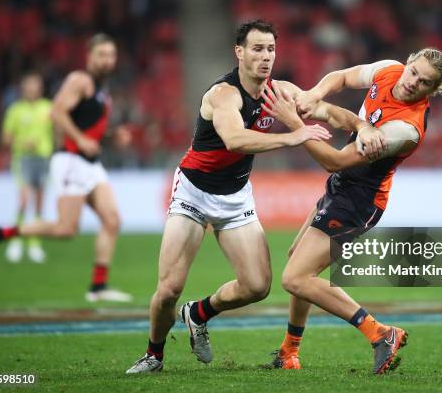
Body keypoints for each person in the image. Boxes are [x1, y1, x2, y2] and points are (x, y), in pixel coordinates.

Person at [125, 19, 383, 374]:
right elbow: (235, 139)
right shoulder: (223, 94)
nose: (266, 57)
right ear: (240, 52)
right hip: (194, 193)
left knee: (257, 286)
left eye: (271, 49)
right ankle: (153, 355)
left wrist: (361, 126)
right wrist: (292, 136)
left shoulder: (280, 91)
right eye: (258, 49)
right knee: (169, 288)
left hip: (235, 196)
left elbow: (329, 112)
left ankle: (197, 314)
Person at [260, 48, 442, 375]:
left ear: (432, 91)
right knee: (297, 261)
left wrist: (295, 121)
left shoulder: (406, 129)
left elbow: (333, 160)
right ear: (407, 64)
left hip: (359, 200)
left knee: (295, 277)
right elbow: (344, 77)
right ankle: (289, 352)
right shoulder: (389, 70)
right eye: (413, 72)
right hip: (342, 187)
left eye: (424, 82)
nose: (412, 82)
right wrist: (314, 95)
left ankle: (380, 334)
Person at [0, 34, 133, 303]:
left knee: (112, 220)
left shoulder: (103, 90)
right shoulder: (80, 80)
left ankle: (98, 287)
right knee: (65, 229)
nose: (107, 60)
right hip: (71, 160)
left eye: (111, 54)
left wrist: (112, 136)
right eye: (102, 54)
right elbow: (57, 112)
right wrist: (81, 139)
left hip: (90, 164)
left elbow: (88, 126)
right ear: (89, 57)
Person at [1, 72, 53, 263]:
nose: (32, 89)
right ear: (23, 88)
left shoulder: (48, 108)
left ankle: (34, 245)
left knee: (39, 201)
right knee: (24, 201)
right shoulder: (15, 110)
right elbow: (6, 138)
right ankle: (16, 241)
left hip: (43, 158)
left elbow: (57, 131)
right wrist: (23, 142)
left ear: (40, 88)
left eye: (35, 85)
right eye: (29, 85)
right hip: (23, 159)